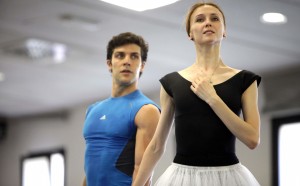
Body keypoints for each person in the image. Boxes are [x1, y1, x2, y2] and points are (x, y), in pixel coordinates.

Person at [132, 2, 261, 186]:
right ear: (190, 34)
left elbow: (252, 139)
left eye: (214, 18)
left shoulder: (245, 80)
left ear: (224, 30)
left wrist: (213, 99)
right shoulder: (172, 82)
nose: (208, 23)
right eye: (200, 19)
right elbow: (157, 145)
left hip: (229, 178)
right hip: (181, 178)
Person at [82, 32, 160, 186]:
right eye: (120, 56)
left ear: (142, 65)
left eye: (134, 56)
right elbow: (90, 169)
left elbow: (143, 175)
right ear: (109, 63)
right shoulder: (92, 110)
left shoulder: (146, 110)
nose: (127, 62)